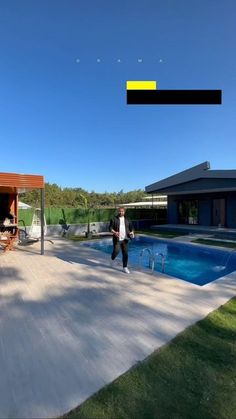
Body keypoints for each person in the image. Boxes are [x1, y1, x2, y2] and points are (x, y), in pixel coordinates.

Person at [109, 207, 134, 273]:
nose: (121, 212)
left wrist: (132, 232)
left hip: (125, 239)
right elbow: (110, 228)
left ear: (124, 212)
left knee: (125, 254)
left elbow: (131, 228)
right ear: (118, 211)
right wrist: (114, 232)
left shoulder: (128, 219)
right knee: (116, 251)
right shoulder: (114, 219)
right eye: (120, 211)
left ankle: (125, 267)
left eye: (122, 211)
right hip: (117, 239)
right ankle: (112, 258)